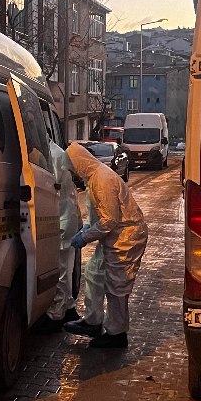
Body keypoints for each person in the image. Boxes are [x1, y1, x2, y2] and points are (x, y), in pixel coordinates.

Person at [63, 141, 149, 348]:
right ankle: (93, 321)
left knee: (117, 286)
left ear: (79, 163)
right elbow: (99, 215)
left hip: (125, 238)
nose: (73, 173)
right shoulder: (94, 178)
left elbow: (110, 219)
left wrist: (85, 236)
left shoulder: (102, 180)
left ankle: (116, 334)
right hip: (114, 237)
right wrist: (87, 229)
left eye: (72, 168)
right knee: (94, 273)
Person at [39, 140, 82, 331]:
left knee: (61, 268)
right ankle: (70, 307)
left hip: (63, 218)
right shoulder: (56, 152)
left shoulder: (52, 155)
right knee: (65, 266)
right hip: (66, 216)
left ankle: (57, 314)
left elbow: (51, 188)